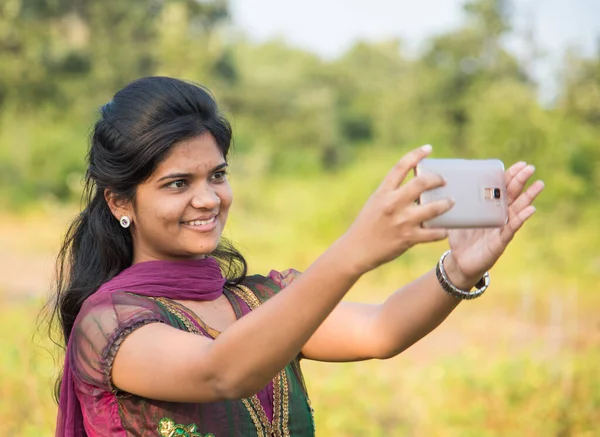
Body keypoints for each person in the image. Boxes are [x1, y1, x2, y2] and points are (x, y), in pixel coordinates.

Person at [50, 76, 544, 437]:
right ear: (120, 201)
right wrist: (354, 251)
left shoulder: (260, 300)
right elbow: (220, 372)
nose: (208, 199)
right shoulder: (110, 324)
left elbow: (382, 329)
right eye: (178, 183)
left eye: (217, 176)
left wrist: (461, 269)